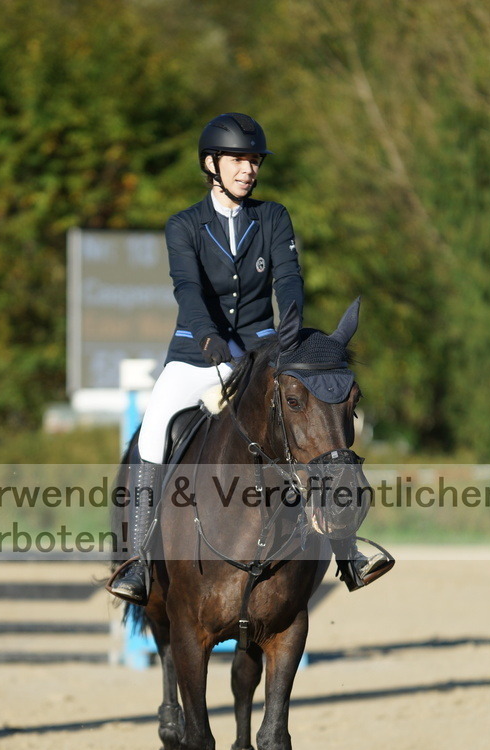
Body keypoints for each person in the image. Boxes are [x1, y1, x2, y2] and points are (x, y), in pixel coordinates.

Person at [108, 112, 393, 604]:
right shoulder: (184, 226)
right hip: (198, 355)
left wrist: (291, 323)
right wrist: (207, 337)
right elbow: (188, 289)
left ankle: (347, 552)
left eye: (254, 160)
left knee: (317, 425)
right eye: (238, 159)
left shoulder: (274, 217)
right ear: (211, 164)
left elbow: (288, 276)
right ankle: (138, 560)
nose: (248, 169)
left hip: (263, 352)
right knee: (154, 427)